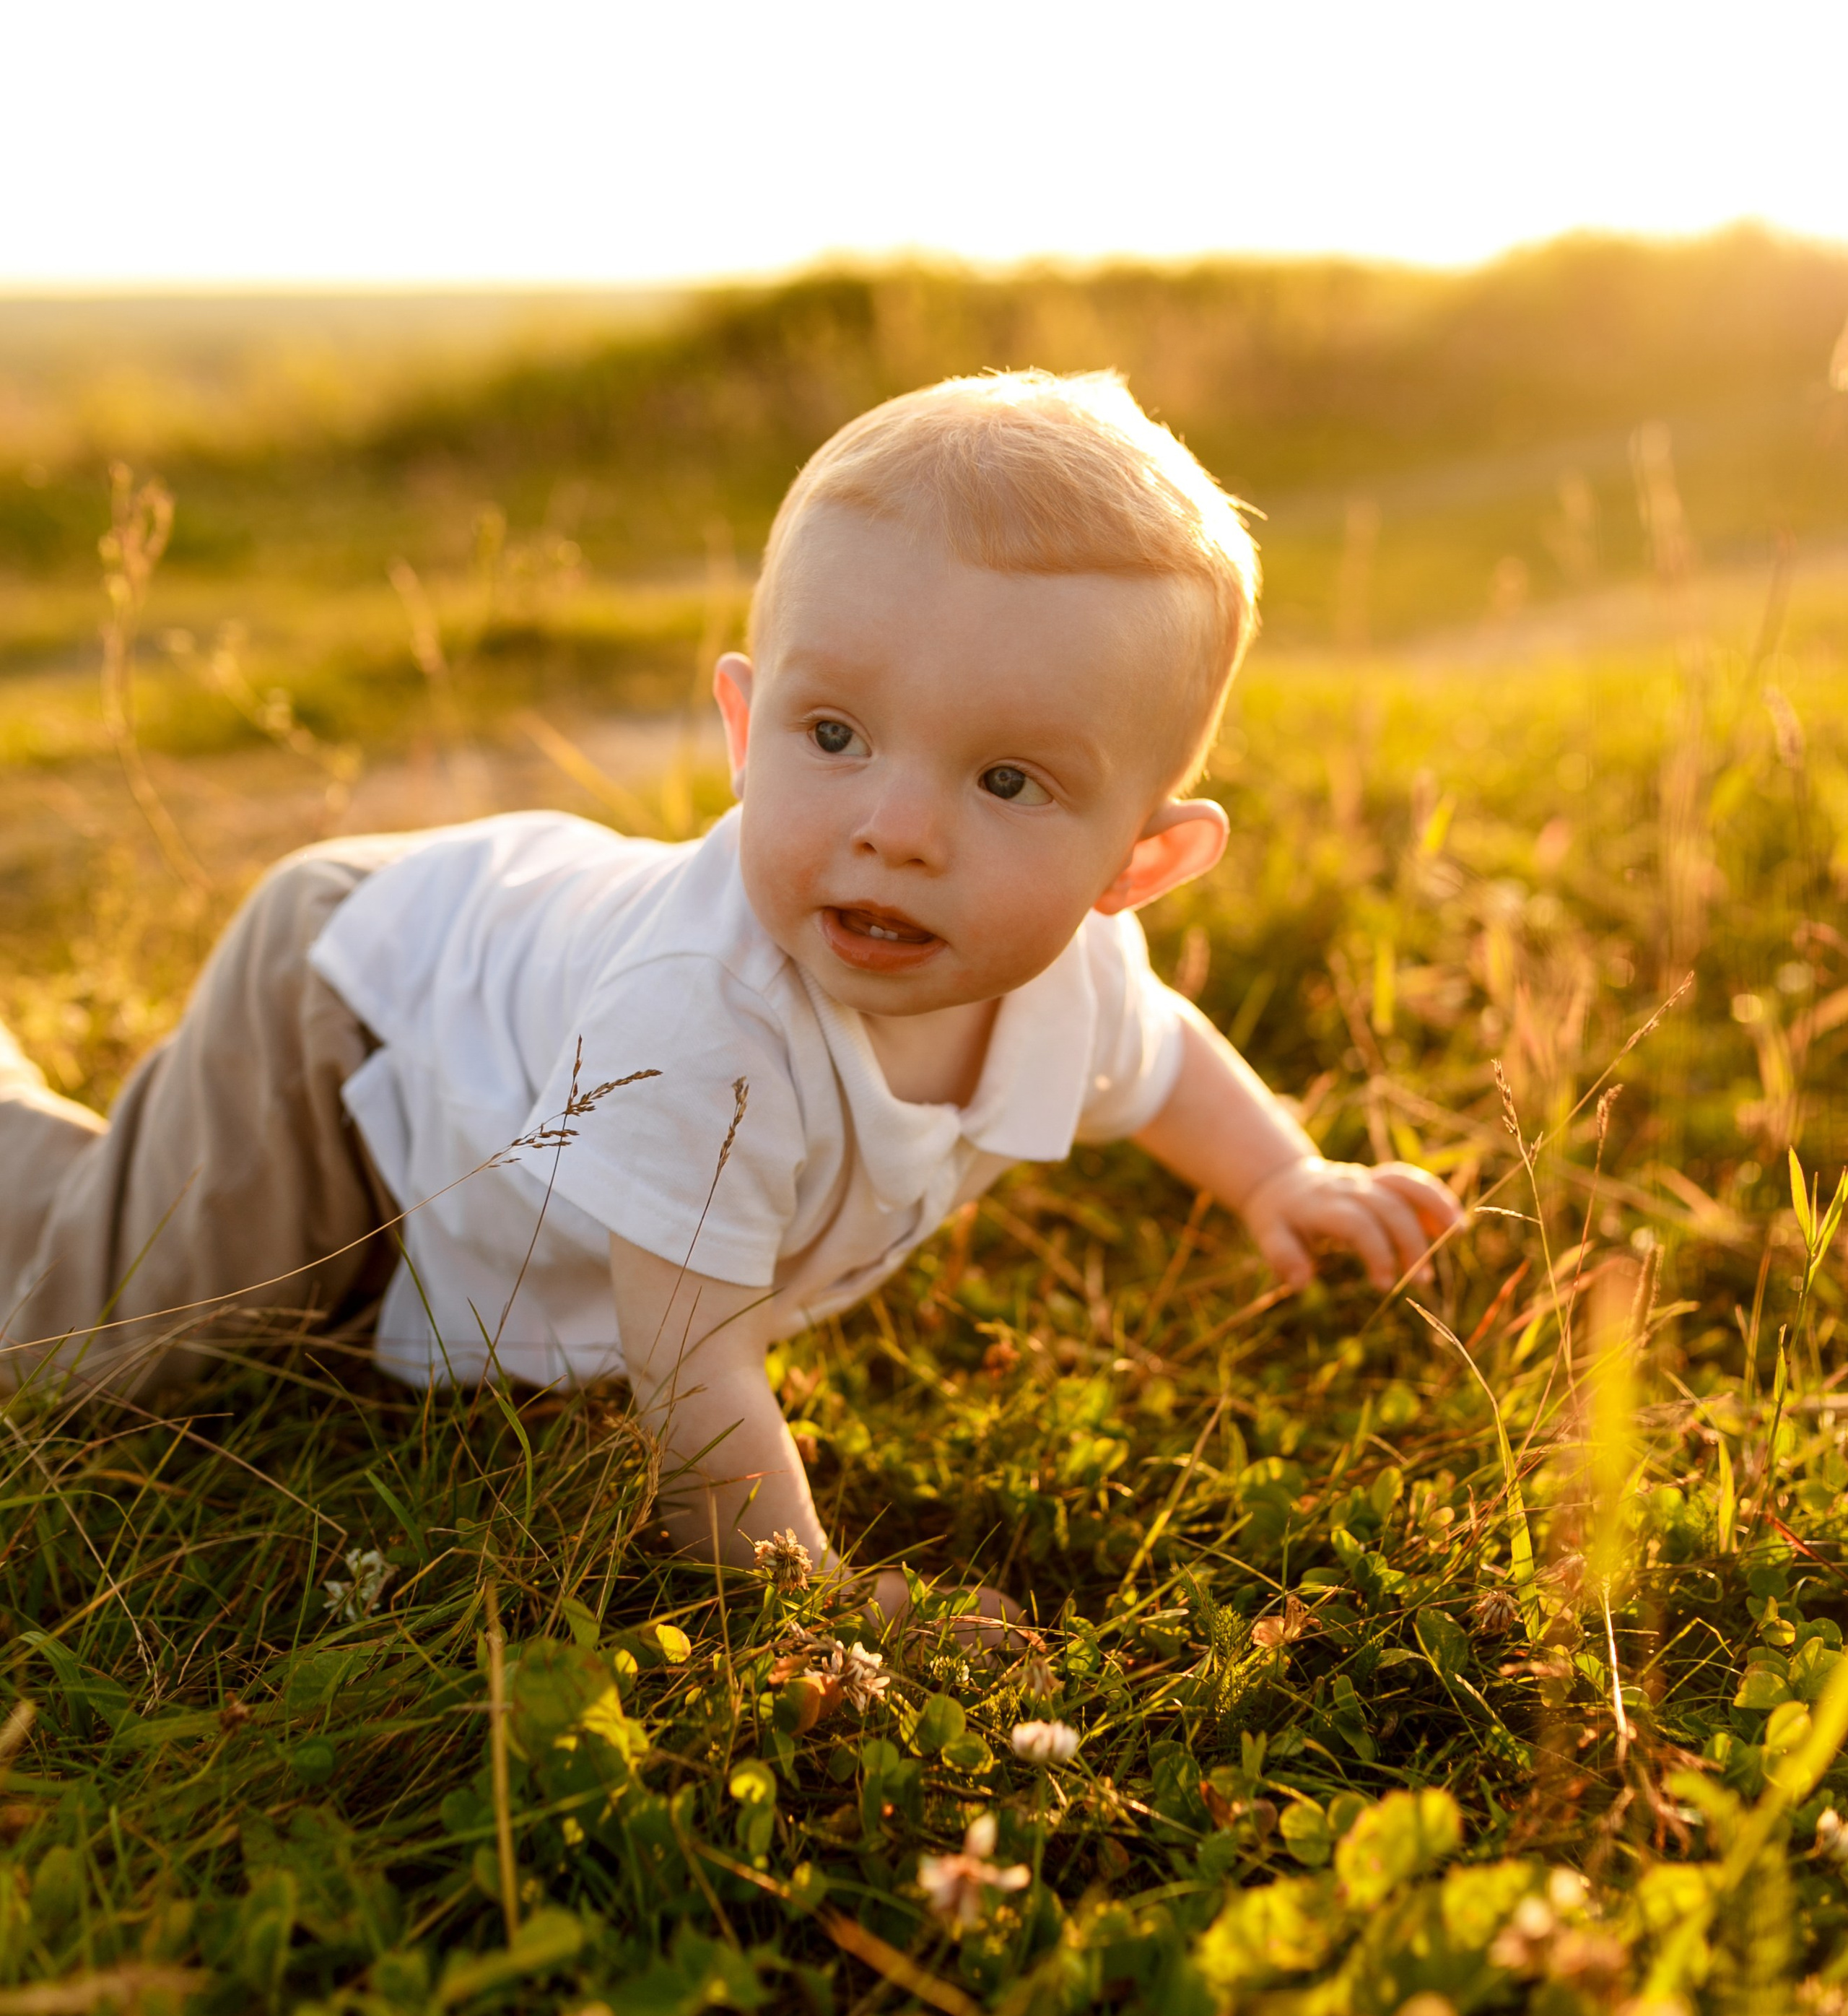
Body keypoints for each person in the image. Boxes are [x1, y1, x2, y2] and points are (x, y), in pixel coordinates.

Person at [0, 371, 1459, 1621]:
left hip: (483, 1034)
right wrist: (809, 1601)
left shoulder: (1066, 973)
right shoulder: (702, 1023)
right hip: (351, 1004)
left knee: (296, 1307)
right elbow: (685, 1360)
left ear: (1135, 866)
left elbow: (1155, 1062)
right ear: (745, 728)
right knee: (100, 1356)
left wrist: (1279, 1171)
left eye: (1006, 779)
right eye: (834, 735)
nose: (896, 826)